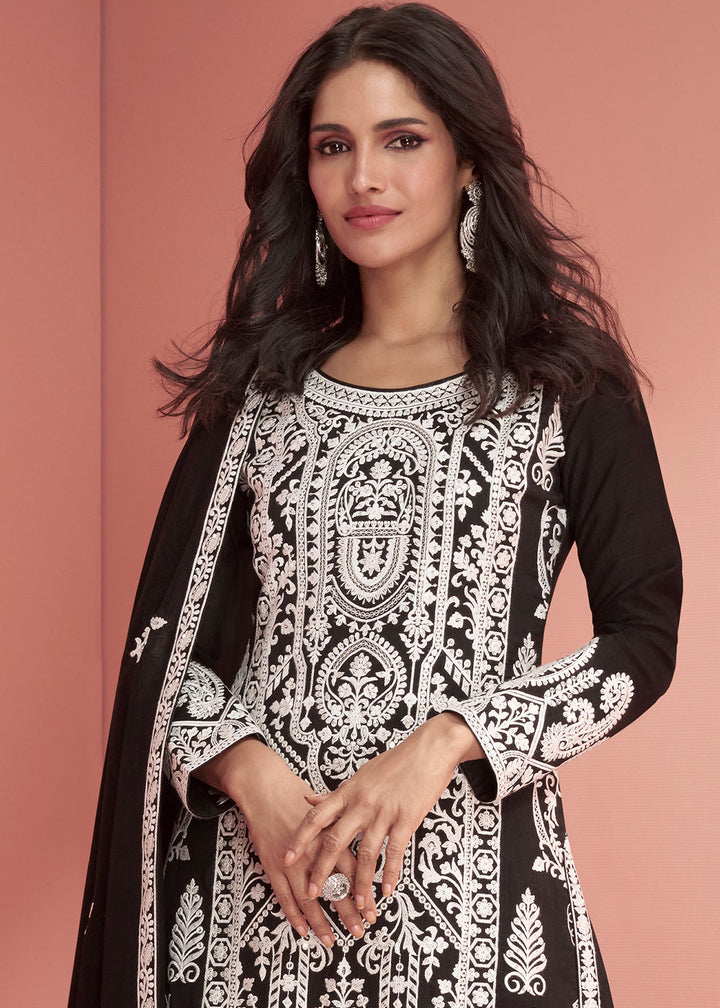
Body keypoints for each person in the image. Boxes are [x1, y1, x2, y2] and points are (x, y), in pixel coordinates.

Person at [69, 4, 682, 1007]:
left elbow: (643, 642)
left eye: (403, 140)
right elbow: (168, 656)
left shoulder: (565, 384)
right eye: (333, 146)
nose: (364, 178)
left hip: (479, 922)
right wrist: (249, 773)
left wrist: (446, 743)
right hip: (252, 916)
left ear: (468, 159)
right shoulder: (258, 394)